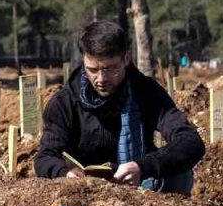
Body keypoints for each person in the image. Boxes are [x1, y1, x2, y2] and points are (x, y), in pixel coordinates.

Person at [34, 20, 205, 193]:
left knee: (180, 174)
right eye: (93, 70)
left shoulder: (146, 92)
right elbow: (45, 157)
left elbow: (190, 141)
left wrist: (143, 166)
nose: (101, 79)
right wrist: (66, 174)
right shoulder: (64, 103)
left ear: (126, 58)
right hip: (86, 191)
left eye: (109, 69)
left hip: (142, 186)